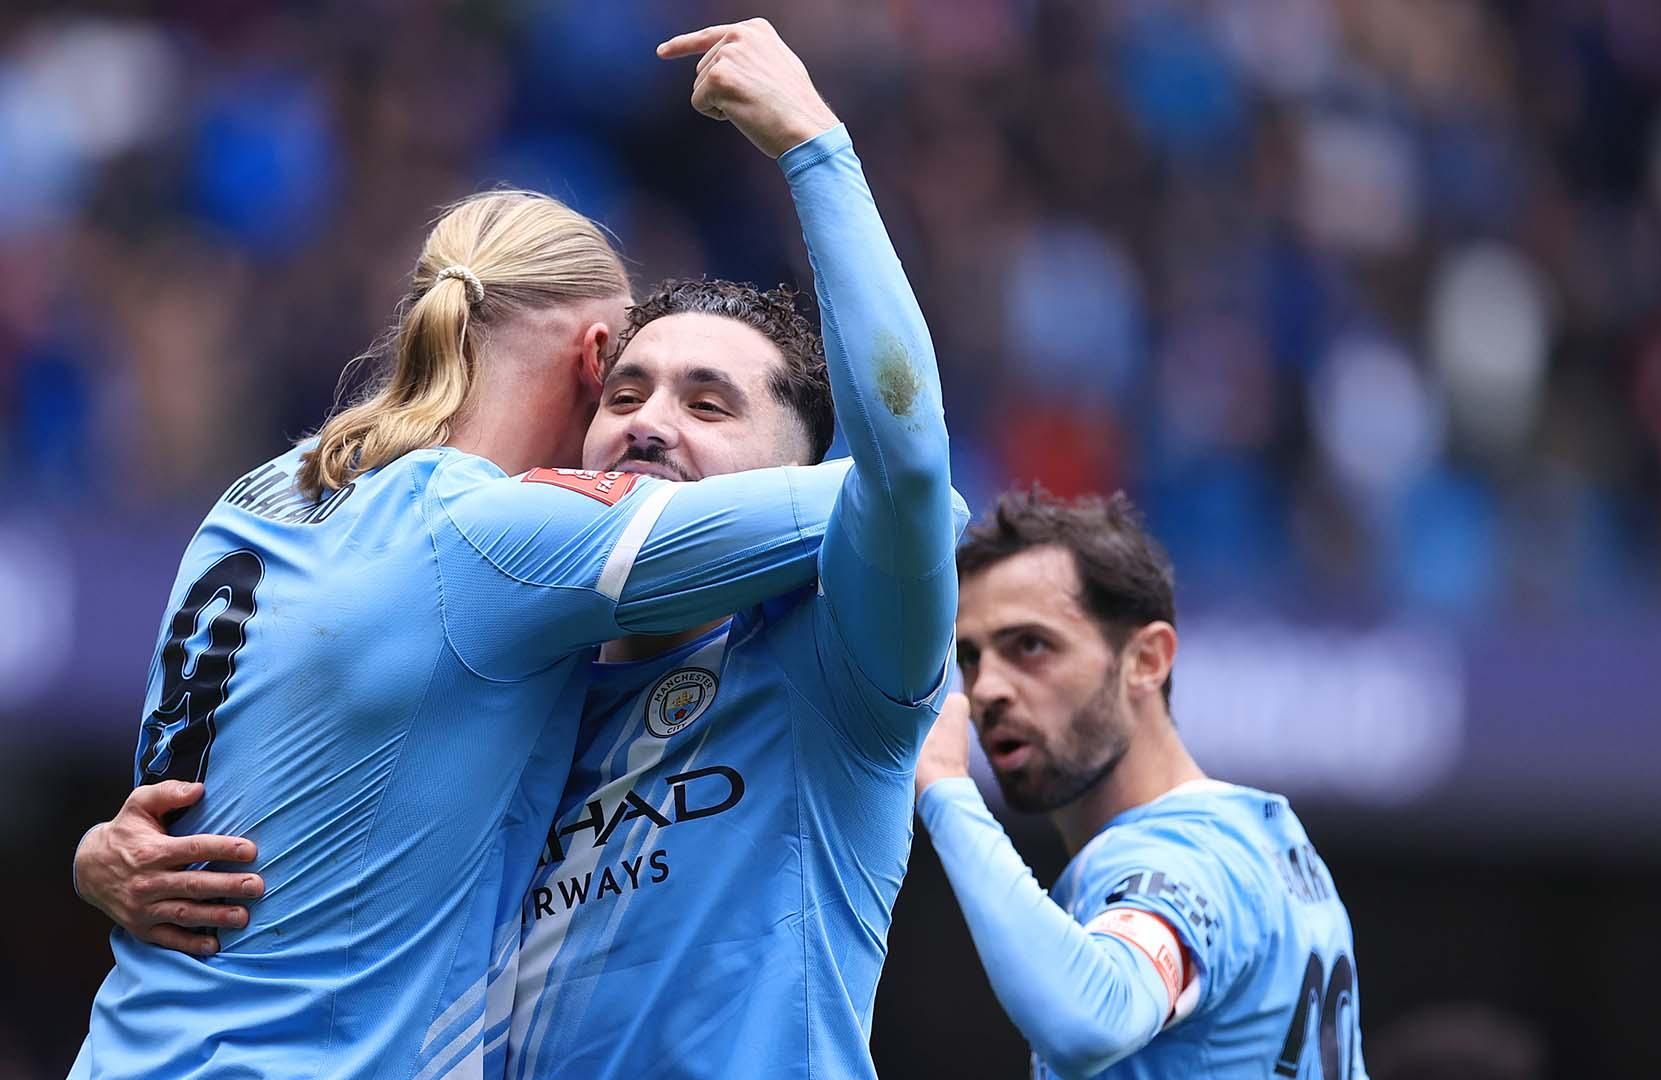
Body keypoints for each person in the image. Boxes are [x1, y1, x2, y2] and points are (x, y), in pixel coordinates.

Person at [75, 18, 964, 1080]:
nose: (650, 424)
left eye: (710, 403)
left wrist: (817, 147)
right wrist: (102, 856)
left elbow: (910, 483)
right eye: (624, 392)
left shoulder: (836, 666)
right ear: (589, 366)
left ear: (802, 465)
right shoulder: (514, 624)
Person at [913, 489, 1371, 1079]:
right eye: (971, 657)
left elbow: (1091, 1018)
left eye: (1030, 645)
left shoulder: (1183, 858)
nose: (986, 689)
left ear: (1148, 659)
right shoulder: (1265, 845)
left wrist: (947, 792)